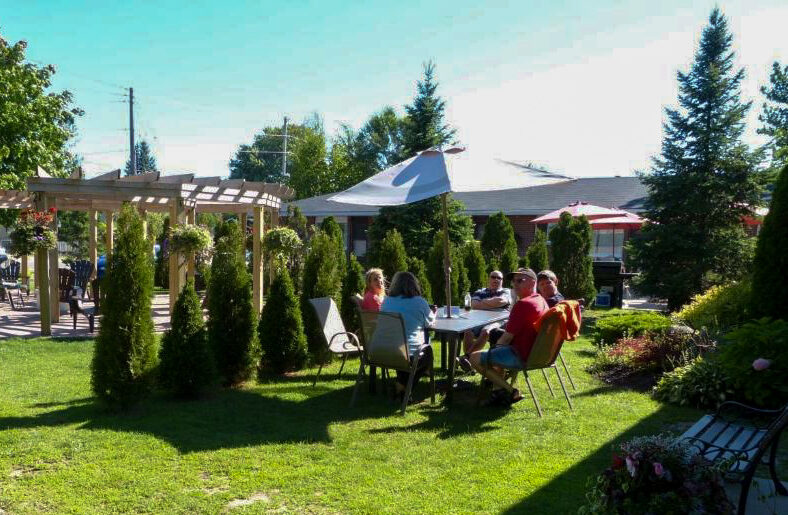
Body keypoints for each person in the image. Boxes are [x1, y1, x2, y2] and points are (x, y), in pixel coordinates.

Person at [468, 268, 548, 407]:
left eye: (520, 280)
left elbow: (505, 340)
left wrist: (494, 350)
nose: (515, 284)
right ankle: (498, 393)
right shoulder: (540, 300)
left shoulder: (523, 305)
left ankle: (511, 391)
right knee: (496, 345)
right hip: (537, 354)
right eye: (513, 281)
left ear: (532, 283)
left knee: (474, 357)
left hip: (520, 355)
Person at [380, 271, 436, 400]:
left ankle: (401, 385)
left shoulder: (387, 302)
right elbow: (430, 322)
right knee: (427, 357)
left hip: (382, 351)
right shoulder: (419, 302)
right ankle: (403, 388)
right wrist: (433, 312)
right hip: (406, 354)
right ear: (414, 285)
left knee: (406, 352)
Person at [457, 270, 511, 371]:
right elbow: (474, 305)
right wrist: (492, 303)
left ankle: (466, 357)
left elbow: (501, 301)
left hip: (499, 320)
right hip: (480, 320)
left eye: (499, 278)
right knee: (468, 330)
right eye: (493, 277)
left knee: (486, 331)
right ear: (489, 279)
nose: (496, 279)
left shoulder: (506, 291)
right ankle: (470, 364)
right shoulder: (480, 291)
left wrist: (482, 302)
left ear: (502, 281)